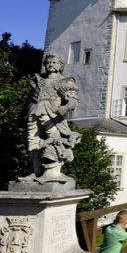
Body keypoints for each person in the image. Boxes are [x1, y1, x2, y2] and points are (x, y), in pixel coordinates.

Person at [20, 53, 81, 183]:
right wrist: (22, 115)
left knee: (55, 140)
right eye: (48, 63)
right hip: (34, 112)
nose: (51, 65)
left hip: (52, 114)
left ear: (60, 66)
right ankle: (35, 172)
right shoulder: (38, 81)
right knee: (33, 141)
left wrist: (65, 108)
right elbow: (29, 100)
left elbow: (74, 101)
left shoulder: (65, 82)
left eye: (54, 62)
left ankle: (53, 172)